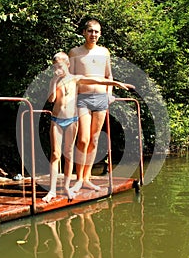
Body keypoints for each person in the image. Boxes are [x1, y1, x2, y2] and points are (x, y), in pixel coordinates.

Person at [42, 52, 134, 203]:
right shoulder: (54, 80)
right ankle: (51, 191)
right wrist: (54, 81)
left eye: (60, 66)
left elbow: (97, 80)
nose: (57, 69)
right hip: (56, 120)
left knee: (69, 153)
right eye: (55, 67)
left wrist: (116, 84)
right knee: (55, 154)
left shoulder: (76, 79)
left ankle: (66, 187)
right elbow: (51, 99)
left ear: (68, 65)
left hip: (71, 120)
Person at [68, 18, 114, 193]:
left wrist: (110, 95)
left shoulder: (104, 52)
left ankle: (87, 178)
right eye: (90, 31)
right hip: (82, 99)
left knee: (94, 140)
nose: (93, 34)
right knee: (83, 139)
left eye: (96, 31)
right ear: (84, 33)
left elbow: (109, 75)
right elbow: (70, 78)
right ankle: (78, 178)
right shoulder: (75, 52)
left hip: (101, 98)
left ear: (100, 34)